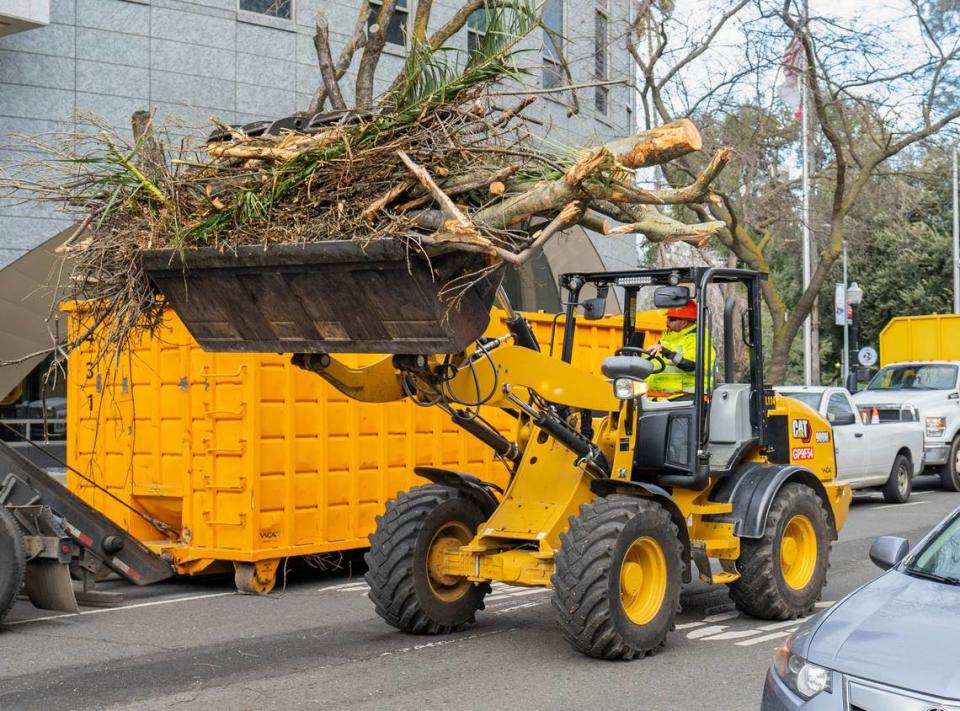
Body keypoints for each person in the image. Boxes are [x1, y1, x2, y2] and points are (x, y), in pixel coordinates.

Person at [645, 299, 715, 401]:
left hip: (687, 399)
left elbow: (691, 365)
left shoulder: (697, 339)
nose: (666, 322)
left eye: (671, 319)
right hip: (661, 398)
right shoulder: (668, 339)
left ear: (684, 323)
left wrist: (666, 352)